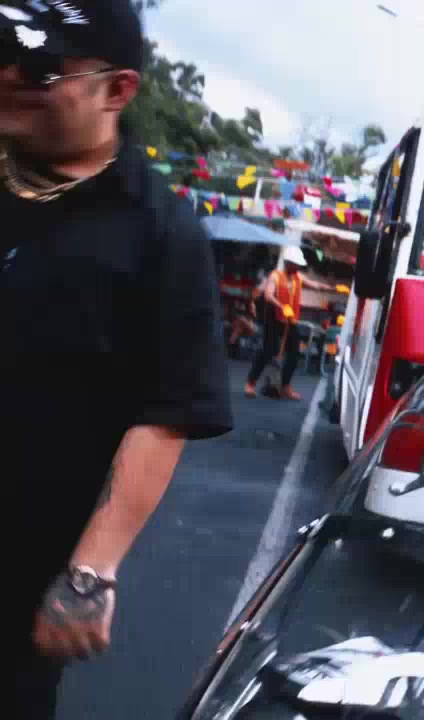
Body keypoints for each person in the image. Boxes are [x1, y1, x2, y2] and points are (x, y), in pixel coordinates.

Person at [0, 3, 234, 717]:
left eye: (39, 69)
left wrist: (90, 571)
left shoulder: (161, 235)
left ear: (118, 89)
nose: (8, 75)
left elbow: (167, 412)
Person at [243, 245, 336, 401]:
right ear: (288, 263)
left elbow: (315, 285)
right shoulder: (275, 276)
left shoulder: (297, 277)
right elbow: (268, 295)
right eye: (296, 264)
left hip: (290, 319)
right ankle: (250, 384)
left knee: (294, 353)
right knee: (268, 350)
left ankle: (285, 386)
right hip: (274, 318)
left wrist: (333, 288)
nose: (298, 267)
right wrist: (281, 306)